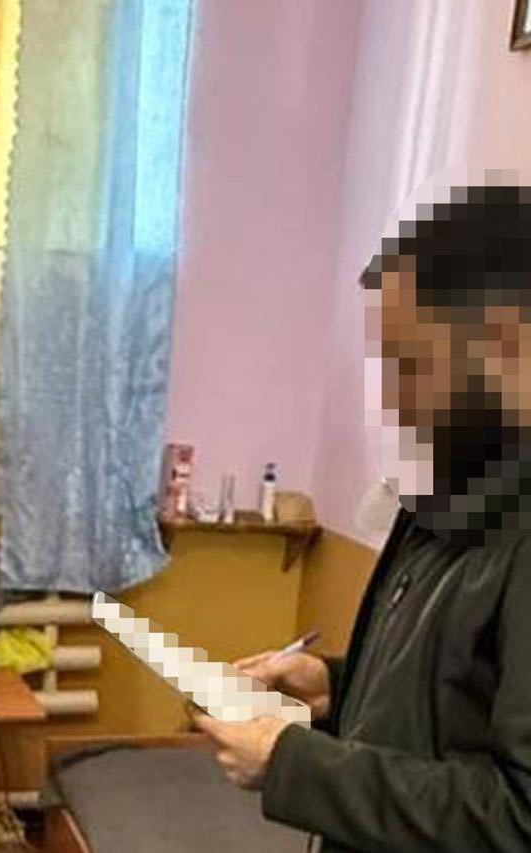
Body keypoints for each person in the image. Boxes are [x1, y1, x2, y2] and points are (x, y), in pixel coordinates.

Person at [196, 183, 531, 852]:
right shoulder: (450, 492)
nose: (394, 398)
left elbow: (517, 817)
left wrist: (293, 765)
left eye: (412, 363)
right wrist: (333, 686)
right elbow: (447, 698)